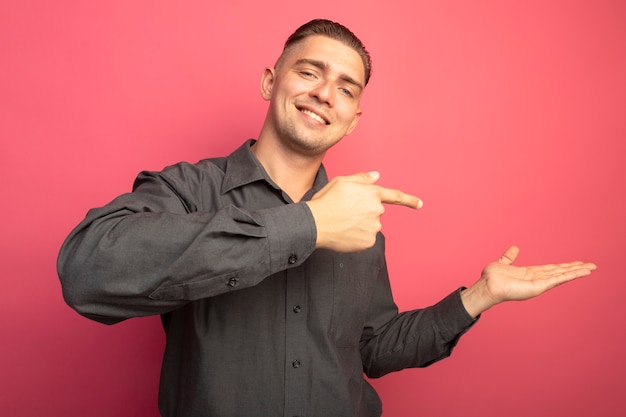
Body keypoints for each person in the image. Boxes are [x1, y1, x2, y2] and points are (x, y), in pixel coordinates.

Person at [57, 19, 596, 417]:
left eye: (345, 87)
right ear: (272, 82)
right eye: (309, 72)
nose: (324, 94)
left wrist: (479, 296)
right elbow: (87, 272)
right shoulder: (191, 188)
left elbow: (373, 348)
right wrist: (308, 226)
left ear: (353, 118)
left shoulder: (361, 223)